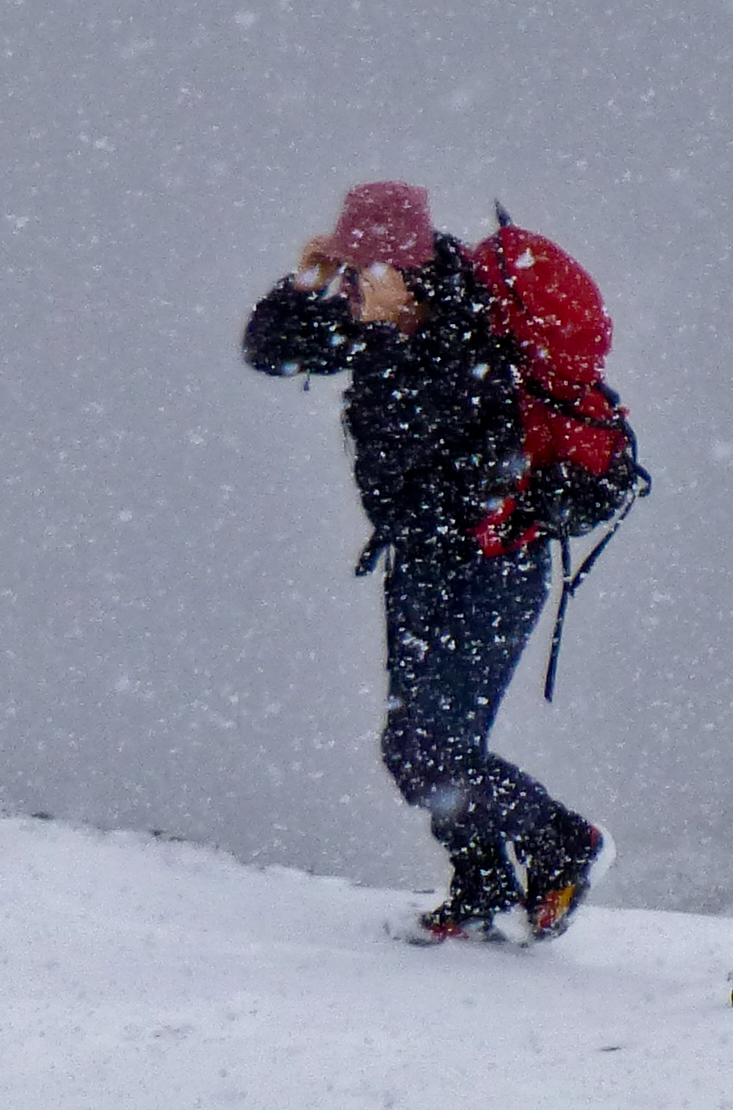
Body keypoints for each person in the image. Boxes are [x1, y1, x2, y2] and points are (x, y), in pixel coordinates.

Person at [245, 181, 610, 943]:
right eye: (344, 272)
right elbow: (269, 346)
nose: (348, 287)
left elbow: (475, 482)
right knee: (427, 745)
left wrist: (418, 508)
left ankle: (566, 841)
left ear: (404, 268)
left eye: (359, 271)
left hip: (491, 570)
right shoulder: (378, 321)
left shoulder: (464, 344)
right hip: (424, 565)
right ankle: (480, 887)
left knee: (425, 747)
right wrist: (310, 281)